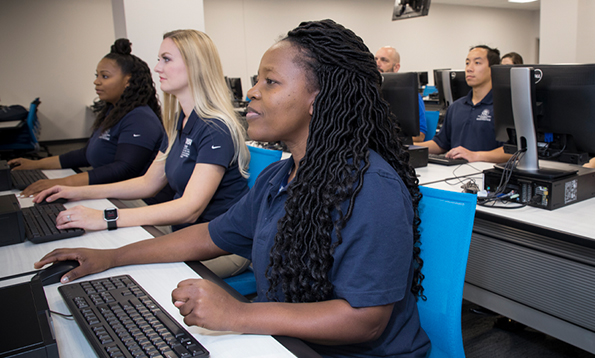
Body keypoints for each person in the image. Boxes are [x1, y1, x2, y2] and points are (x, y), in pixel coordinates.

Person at [35, 20, 431, 357]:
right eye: (257, 79)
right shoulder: (281, 177)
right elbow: (210, 235)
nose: (252, 92)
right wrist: (114, 258)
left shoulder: (370, 189)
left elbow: (365, 322)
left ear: (319, 98)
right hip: (287, 341)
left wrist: (238, 314)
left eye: (270, 82)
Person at [34, 29, 249, 235]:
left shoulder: (215, 128)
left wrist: (105, 218)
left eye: (166, 59)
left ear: (195, 66)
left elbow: (189, 210)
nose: (157, 68)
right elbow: (149, 183)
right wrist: (75, 192)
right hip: (186, 233)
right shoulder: (179, 121)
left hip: (219, 243)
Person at [9, 39, 165, 197]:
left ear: (128, 81)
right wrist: (35, 165)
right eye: (97, 76)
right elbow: (86, 154)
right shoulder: (113, 111)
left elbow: (124, 169)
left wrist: (63, 183)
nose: (96, 82)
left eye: (104, 76)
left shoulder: (140, 118)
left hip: (134, 201)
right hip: (110, 193)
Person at [415, 45, 511, 163]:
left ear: (493, 69)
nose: (469, 68)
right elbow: (440, 144)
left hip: (487, 176)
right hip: (455, 174)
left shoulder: (503, 108)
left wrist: (475, 156)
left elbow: (511, 152)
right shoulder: (456, 107)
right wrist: (410, 147)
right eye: (467, 63)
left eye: (477, 63)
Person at [375, 46, 428, 142]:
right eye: (376, 59)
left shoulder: (411, 96)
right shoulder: (368, 93)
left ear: (396, 67)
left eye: (384, 60)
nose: (377, 63)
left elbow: (420, 136)